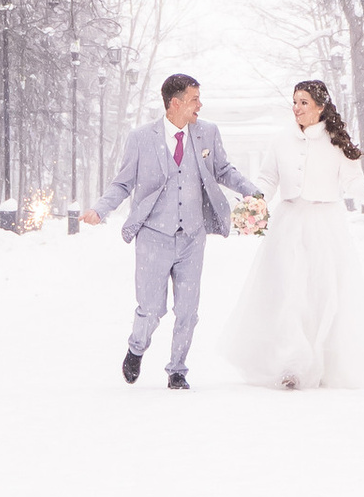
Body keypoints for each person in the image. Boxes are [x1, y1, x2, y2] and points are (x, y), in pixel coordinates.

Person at [89, 74, 260, 388]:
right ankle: (136, 347)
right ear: (175, 103)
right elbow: (123, 183)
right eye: (195, 99)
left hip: (192, 236)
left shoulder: (207, 132)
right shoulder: (141, 138)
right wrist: (100, 209)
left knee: (188, 309)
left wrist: (252, 192)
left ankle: (177, 369)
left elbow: (223, 170)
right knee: (152, 308)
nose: (200, 105)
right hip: (153, 236)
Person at [218, 79, 364, 391]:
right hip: (289, 221)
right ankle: (292, 364)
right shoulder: (281, 139)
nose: (296, 108)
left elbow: (352, 181)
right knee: (289, 291)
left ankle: (324, 361)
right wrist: (255, 203)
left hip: (325, 224)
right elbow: (268, 177)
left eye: (303, 102)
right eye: (294, 102)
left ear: (320, 107)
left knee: (323, 293)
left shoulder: (337, 141)